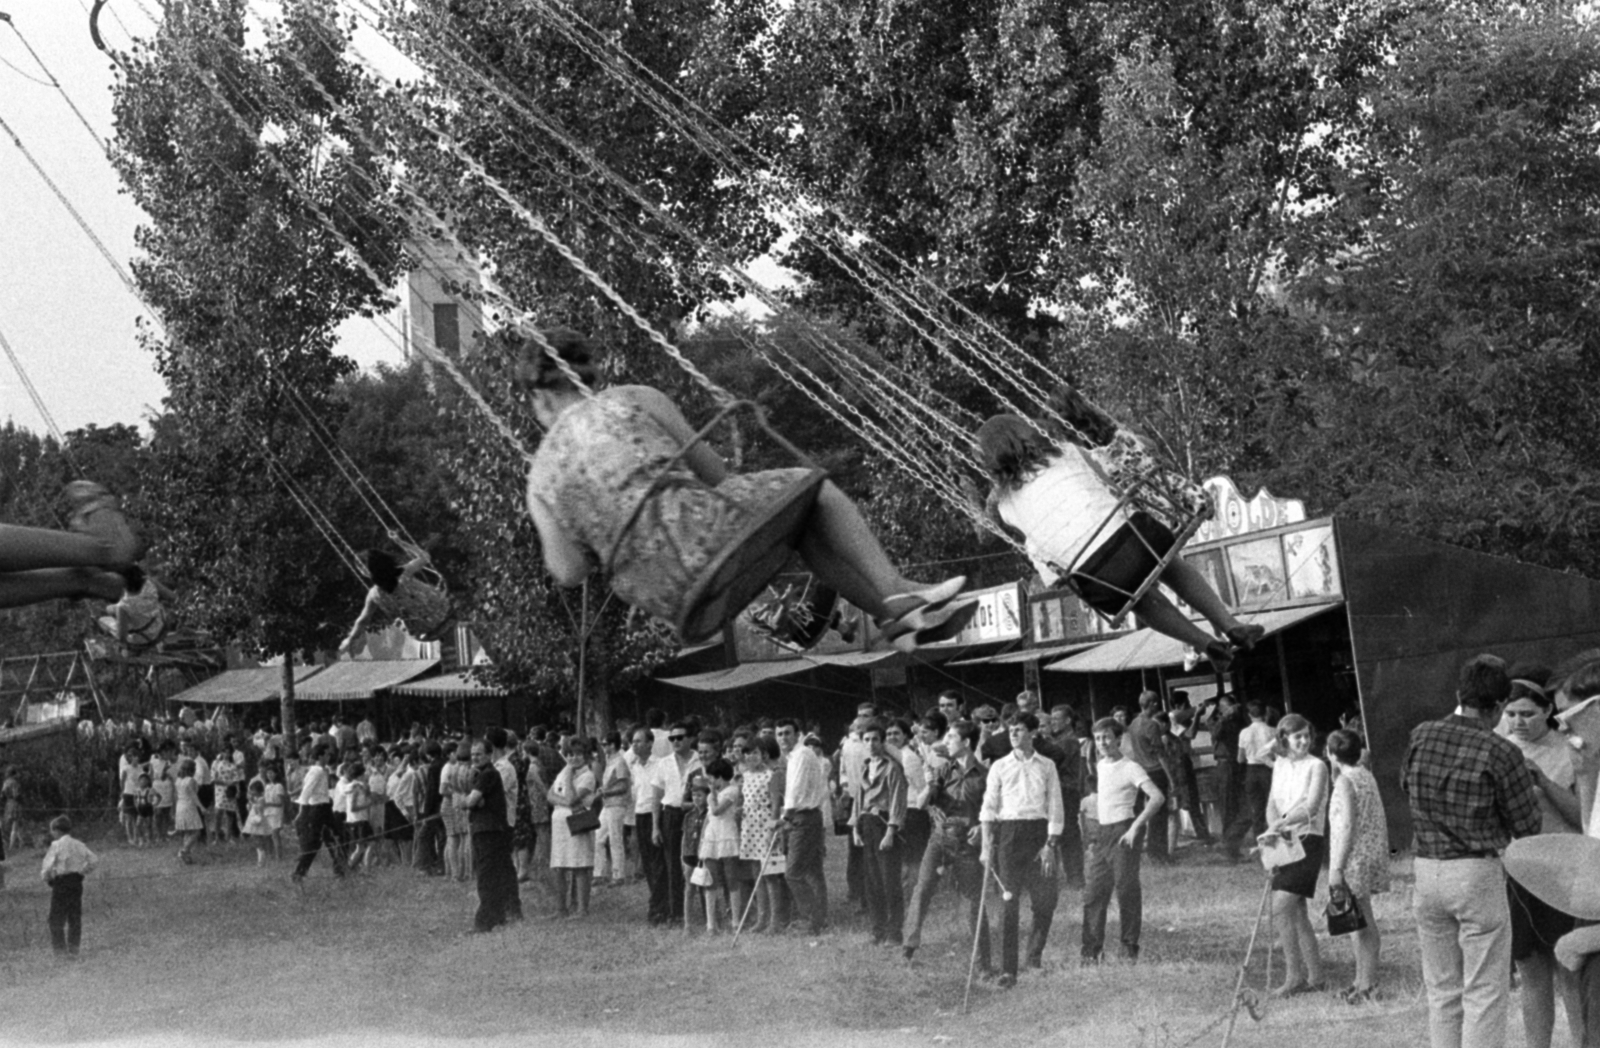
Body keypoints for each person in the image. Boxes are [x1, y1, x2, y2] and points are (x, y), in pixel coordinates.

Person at [516, 326, 978, 652]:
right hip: (702, 534)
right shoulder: (633, 400)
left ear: (537, 396)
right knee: (812, 489)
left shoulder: (539, 481)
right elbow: (717, 475)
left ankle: (898, 618)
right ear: (591, 376)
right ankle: (893, 587)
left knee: (797, 524)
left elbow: (569, 571)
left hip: (659, 592)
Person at [974, 408, 1262, 673]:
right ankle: (1231, 625)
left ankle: (1204, 644)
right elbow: (1110, 482)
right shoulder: (1066, 453)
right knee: (1168, 563)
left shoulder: (1006, 507)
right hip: (1136, 541)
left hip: (1099, 580)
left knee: (1138, 601)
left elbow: (1040, 547)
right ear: (1026, 431)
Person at [1402, 654, 1541, 1048]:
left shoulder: (1422, 733)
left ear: (1458, 694)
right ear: (1498, 707)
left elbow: (1405, 786)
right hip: (1476, 872)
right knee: (1485, 990)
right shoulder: (1502, 752)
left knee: (1442, 991)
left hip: (1426, 870)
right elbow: (1528, 826)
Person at [1498, 671, 1586, 1048]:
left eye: (1528, 714)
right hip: (1519, 872)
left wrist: (1543, 782)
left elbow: (1582, 816)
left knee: (1569, 969)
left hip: (1563, 872)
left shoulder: (1570, 749)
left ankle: (1584, 1039)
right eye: (1512, 713)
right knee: (1530, 969)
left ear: (1549, 710)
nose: (1518, 722)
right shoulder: (1499, 747)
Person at [980, 712, 1064, 986]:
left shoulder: (1047, 765)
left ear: (1032, 733)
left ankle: (1034, 957)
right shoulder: (999, 767)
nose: (1013, 734)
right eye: (1010, 730)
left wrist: (1050, 844)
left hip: (1039, 834)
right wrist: (985, 846)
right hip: (1009, 836)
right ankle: (1008, 970)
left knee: (1045, 900)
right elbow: (988, 808)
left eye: (1018, 730)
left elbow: (1055, 806)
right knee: (1009, 902)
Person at [903, 718, 990, 970]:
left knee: (974, 901)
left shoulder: (985, 775)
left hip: (968, 843)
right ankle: (908, 948)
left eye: (951, 737)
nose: (946, 742)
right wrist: (930, 784)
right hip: (940, 839)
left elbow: (994, 809)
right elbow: (921, 804)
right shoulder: (942, 770)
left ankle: (983, 963)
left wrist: (982, 827)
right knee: (922, 889)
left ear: (966, 742)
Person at [1081, 716, 1164, 965]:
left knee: (1126, 890)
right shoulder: (1098, 765)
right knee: (1094, 893)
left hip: (1124, 831)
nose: (1102, 743)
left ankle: (1129, 948)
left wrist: (1136, 827)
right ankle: (1091, 952)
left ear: (1118, 739)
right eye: (1097, 738)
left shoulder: (1131, 766)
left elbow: (1157, 797)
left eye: (1107, 737)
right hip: (1102, 834)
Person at [1264, 713, 1329, 996]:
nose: (1304, 741)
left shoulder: (1318, 766)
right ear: (1285, 739)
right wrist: (1273, 827)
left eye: (1306, 735)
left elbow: (1311, 807)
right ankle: (1316, 976)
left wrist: (1283, 822)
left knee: (1281, 906)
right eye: (1297, 736)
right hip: (1283, 840)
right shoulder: (1279, 763)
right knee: (1297, 911)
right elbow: (1271, 803)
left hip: (1308, 840)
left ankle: (1294, 977)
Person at [1326, 728, 1390, 1004]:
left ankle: (1368, 983)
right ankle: (1360, 980)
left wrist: (1336, 867)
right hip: (1370, 853)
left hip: (1353, 857)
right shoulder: (1366, 775)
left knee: (1360, 923)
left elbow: (1347, 824)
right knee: (1358, 921)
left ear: (1331, 755)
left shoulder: (1344, 781)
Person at [850, 720, 908, 946]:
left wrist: (891, 831)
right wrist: (855, 828)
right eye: (867, 740)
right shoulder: (865, 767)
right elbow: (858, 799)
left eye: (876, 739)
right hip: (867, 825)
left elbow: (897, 801)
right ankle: (878, 930)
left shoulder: (892, 767)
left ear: (882, 742)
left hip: (885, 824)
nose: (872, 744)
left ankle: (895, 932)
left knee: (889, 880)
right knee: (872, 881)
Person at [339, 542, 453, 655]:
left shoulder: (374, 595)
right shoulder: (404, 572)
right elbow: (425, 557)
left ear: (366, 571)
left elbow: (363, 620)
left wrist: (350, 638)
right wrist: (399, 541)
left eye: (360, 567)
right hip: (444, 612)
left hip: (424, 631)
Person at [779, 716, 831, 936]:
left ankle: (810, 920)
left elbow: (796, 790)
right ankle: (818, 919)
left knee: (793, 873)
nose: (783, 738)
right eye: (779, 734)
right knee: (812, 871)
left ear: (797, 734)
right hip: (806, 815)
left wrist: (785, 817)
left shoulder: (801, 754)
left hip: (803, 817)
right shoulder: (793, 756)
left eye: (787, 733)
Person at [464, 734, 520, 931]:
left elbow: (471, 801)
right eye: (472, 754)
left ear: (490, 754)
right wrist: (474, 801)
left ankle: (484, 922)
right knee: (496, 874)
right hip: (487, 830)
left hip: (489, 831)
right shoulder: (482, 773)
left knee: (487, 876)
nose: (475, 757)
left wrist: (464, 801)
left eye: (479, 754)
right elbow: (475, 800)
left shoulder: (489, 773)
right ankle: (499, 915)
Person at [736, 734, 788, 933]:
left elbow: (776, 804)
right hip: (749, 827)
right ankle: (761, 918)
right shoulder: (745, 776)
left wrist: (772, 828)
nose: (751, 757)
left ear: (763, 754)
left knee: (770, 875)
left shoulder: (771, 775)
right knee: (756, 873)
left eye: (755, 753)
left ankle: (775, 921)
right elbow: (745, 800)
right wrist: (740, 810)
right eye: (747, 753)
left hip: (765, 827)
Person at [548, 735, 597, 918]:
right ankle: (561, 908)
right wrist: (562, 800)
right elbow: (550, 795)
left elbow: (571, 798)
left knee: (579, 866)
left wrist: (568, 776)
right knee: (558, 866)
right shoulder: (563, 772)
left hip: (577, 823)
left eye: (577, 754)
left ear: (585, 756)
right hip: (559, 824)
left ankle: (582, 909)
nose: (572, 758)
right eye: (569, 754)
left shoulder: (588, 776)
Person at [1121, 692, 1174, 864]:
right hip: (1156, 770)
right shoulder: (1152, 725)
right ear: (1151, 704)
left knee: (1146, 812)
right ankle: (1159, 853)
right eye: (1156, 703)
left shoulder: (1134, 723)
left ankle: (1149, 851)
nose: (1158, 706)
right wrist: (1171, 779)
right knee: (1160, 813)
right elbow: (1160, 754)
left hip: (1141, 771)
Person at [1224, 701, 1276, 861]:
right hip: (1268, 770)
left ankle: (1242, 844)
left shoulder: (1244, 732)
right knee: (1272, 808)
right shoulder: (1272, 731)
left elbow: (1240, 759)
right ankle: (1269, 849)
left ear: (1249, 715)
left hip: (1251, 771)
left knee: (1254, 809)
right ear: (1265, 714)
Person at [39, 814, 97, 959]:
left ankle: (60, 951)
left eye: (53, 831)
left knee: (56, 917)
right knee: (74, 916)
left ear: (57, 830)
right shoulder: (79, 844)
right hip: (76, 882)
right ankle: (74, 948)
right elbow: (94, 860)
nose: (52, 834)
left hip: (61, 882)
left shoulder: (56, 845)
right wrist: (82, 872)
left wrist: (47, 878)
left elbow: (47, 867)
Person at [291, 743, 346, 882]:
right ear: (320, 756)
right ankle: (299, 873)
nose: (329, 757)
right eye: (326, 754)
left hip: (324, 807)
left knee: (333, 839)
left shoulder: (322, 770)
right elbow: (306, 792)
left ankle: (341, 870)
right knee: (315, 843)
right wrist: (301, 812)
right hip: (317, 809)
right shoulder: (317, 771)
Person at [594, 731, 631, 889]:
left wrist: (606, 792)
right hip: (608, 804)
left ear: (613, 744)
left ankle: (619, 874)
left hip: (617, 804)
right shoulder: (610, 760)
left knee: (615, 839)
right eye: (602, 744)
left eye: (605, 744)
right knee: (598, 837)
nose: (603, 747)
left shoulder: (620, 761)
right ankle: (600, 872)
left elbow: (624, 786)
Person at [173, 758, 204, 865]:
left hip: (179, 806)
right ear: (192, 770)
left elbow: (176, 795)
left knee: (187, 831)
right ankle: (185, 850)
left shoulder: (178, 780)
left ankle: (187, 856)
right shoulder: (191, 780)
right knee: (196, 831)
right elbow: (194, 796)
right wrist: (202, 807)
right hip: (189, 806)